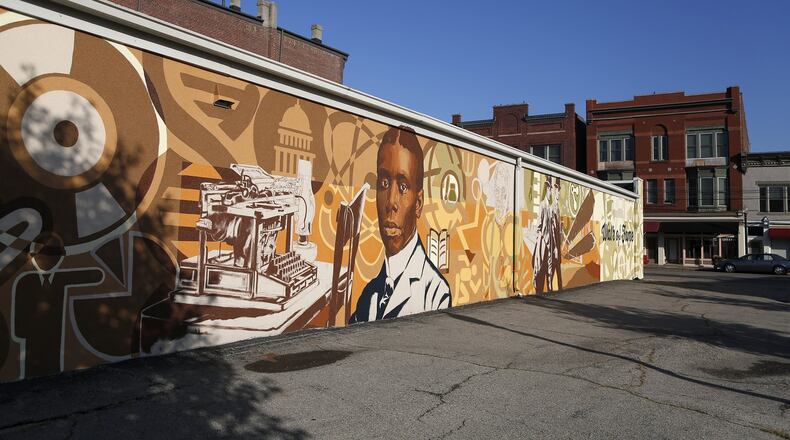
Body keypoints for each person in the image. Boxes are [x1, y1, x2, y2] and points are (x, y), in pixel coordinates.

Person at [349, 126, 451, 323]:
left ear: (418, 204)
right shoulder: (369, 295)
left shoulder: (436, 294)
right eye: (384, 184)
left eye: (403, 187)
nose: (390, 203)